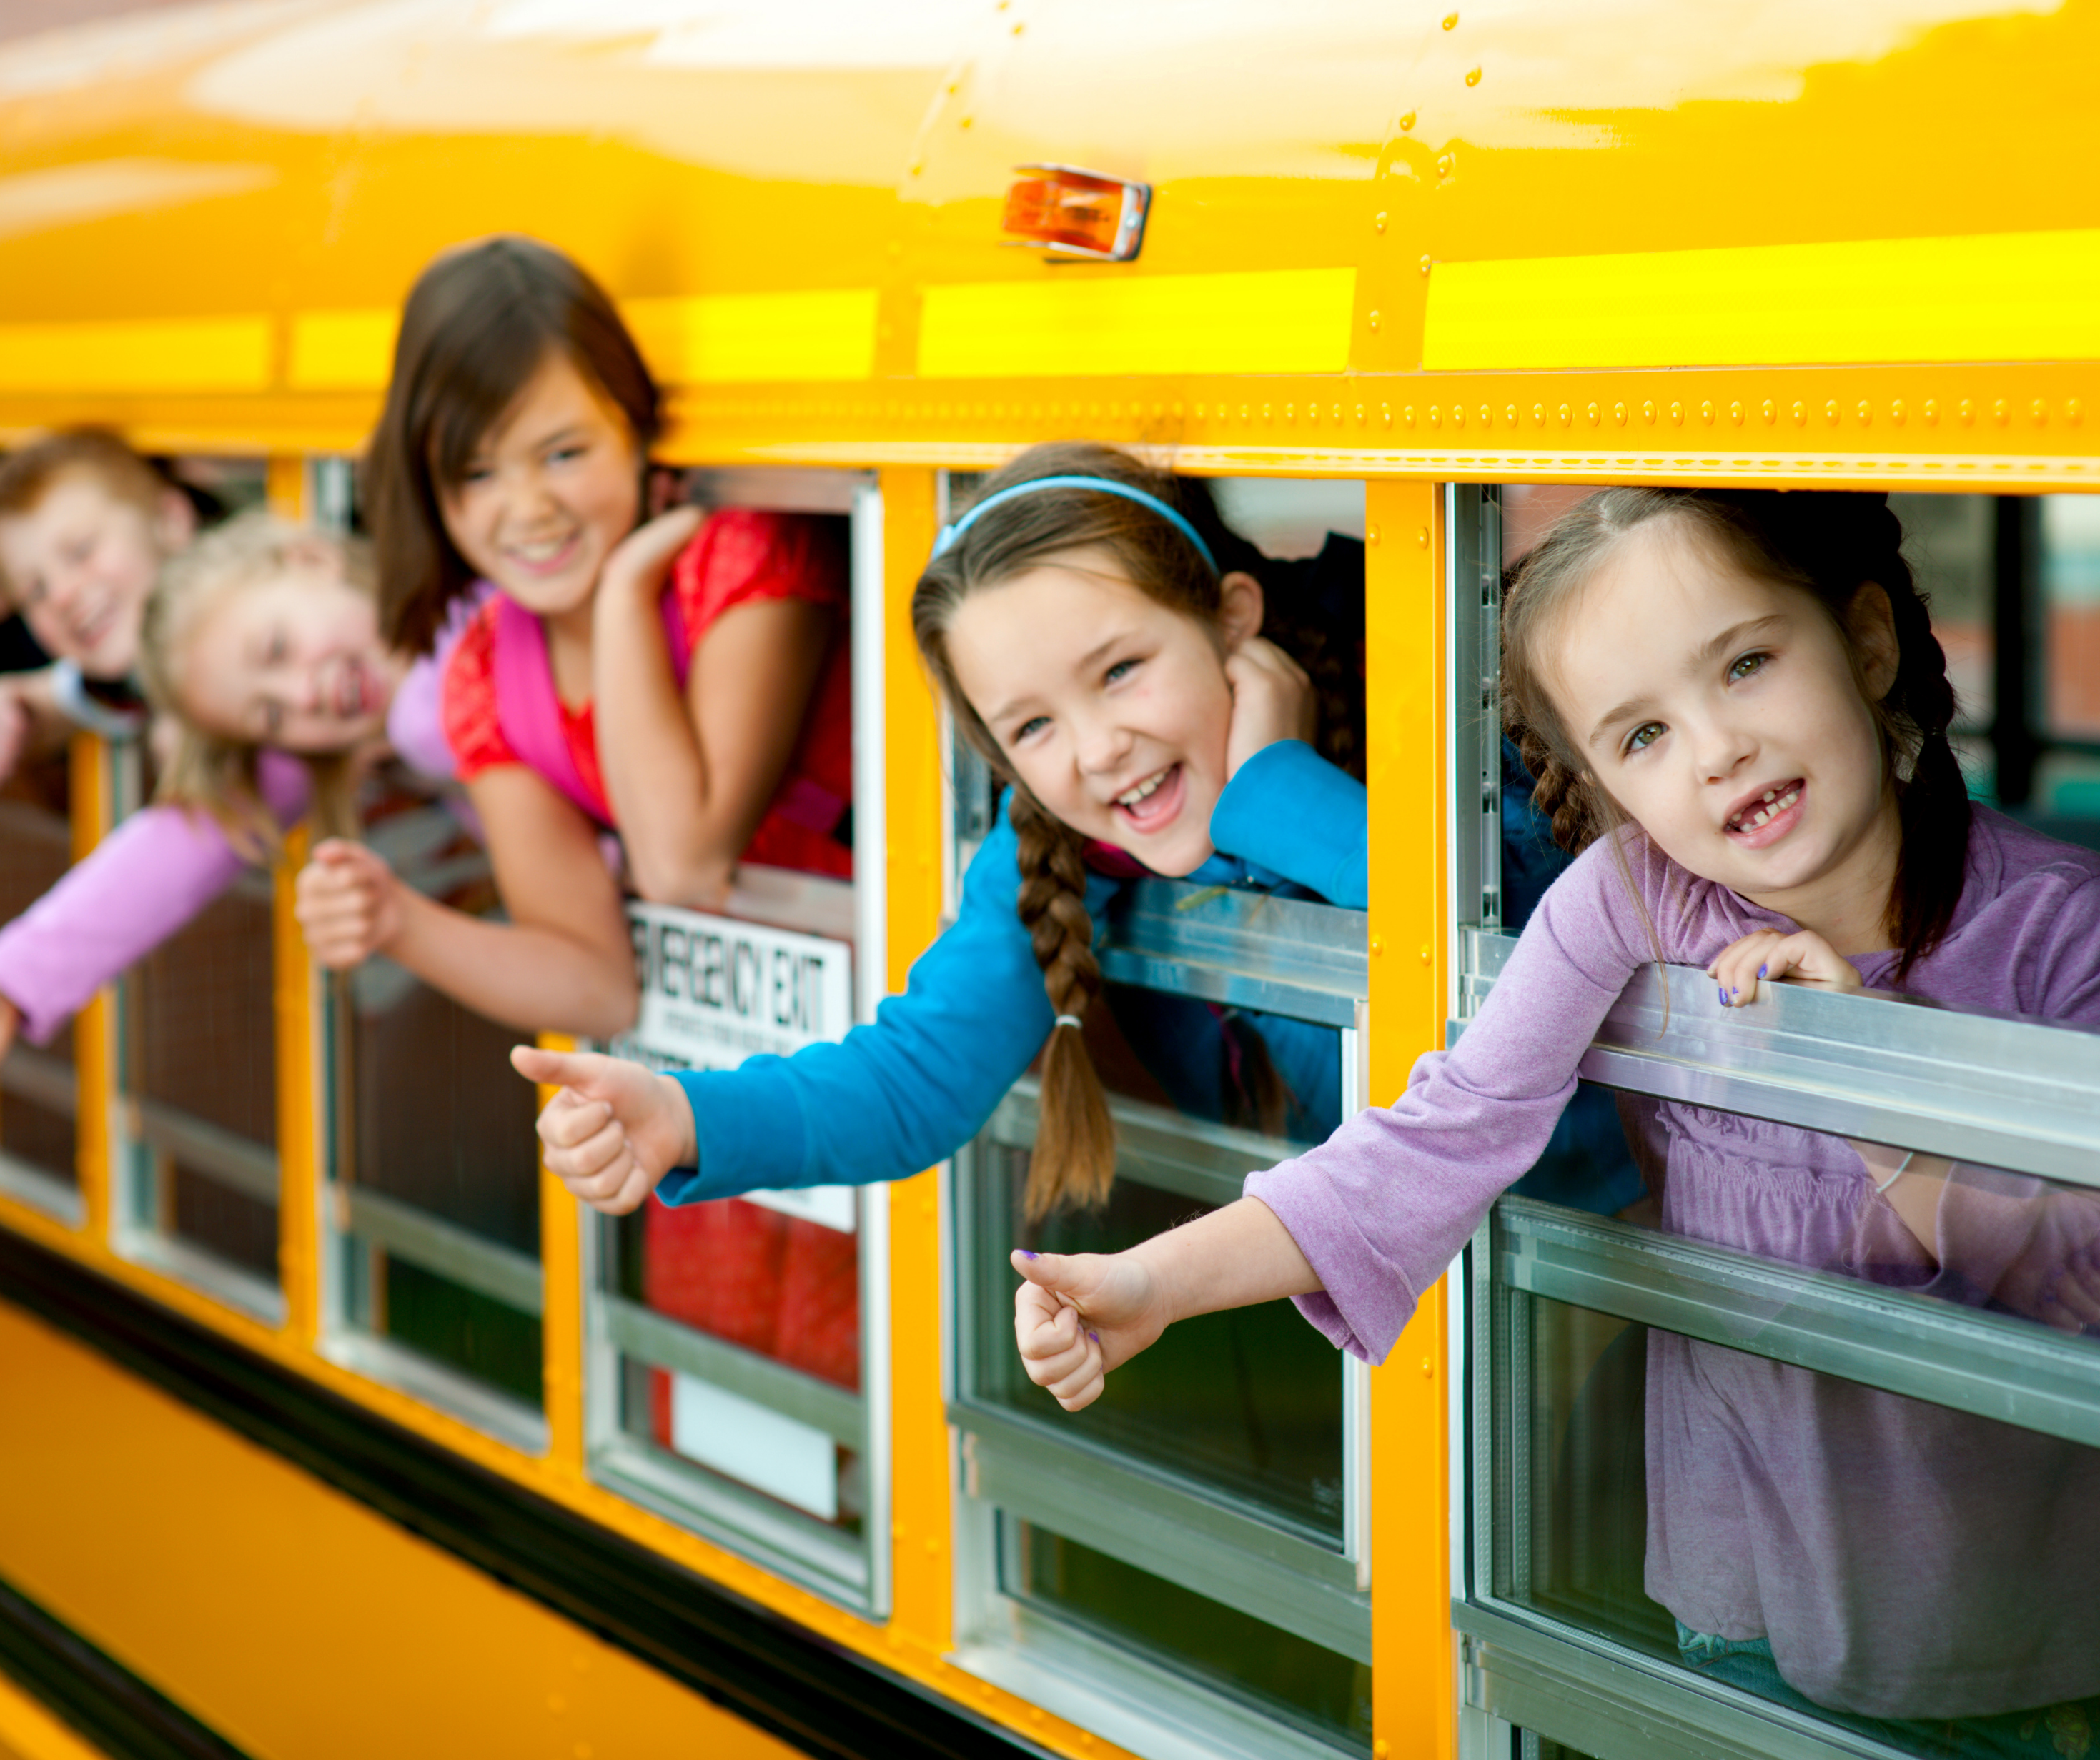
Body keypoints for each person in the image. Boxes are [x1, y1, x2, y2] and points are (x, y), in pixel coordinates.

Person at [1006, 487, 2100, 1741]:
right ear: (1599, 784)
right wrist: (1153, 1281)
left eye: (1744, 663)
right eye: (1639, 736)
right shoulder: (1638, 895)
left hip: (2015, 1643)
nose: (1713, 748)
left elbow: (2074, 1275)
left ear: (1862, 640)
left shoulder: (2056, 930)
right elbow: (1440, 1132)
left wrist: (1859, 1071)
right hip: (1729, 1598)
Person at [515, 439, 1380, 1226]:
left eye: (1120, 671)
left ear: (1231, 619)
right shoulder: (1057, 842)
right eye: (1032, 727)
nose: (1098, 749)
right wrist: (682, 1114)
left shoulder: (1423, 734)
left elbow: (1502, 1004)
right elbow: (913, 1080)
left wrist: (1273, 788)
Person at [289, 235, 853, 1040]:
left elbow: (681, 862)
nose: (526, 509)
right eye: (478, 475)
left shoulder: (739, 557)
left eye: (562, 455)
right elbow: (597, 990)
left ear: (632, 430)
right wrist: (397, 922)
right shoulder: (490, 672)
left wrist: (626, 598)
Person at [0, 429, 204, 786]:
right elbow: (68, 696)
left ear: (170, 521)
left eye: (81, 551)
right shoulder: (129, 681)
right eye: (35, 591)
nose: (61, 595)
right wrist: (20, 710)